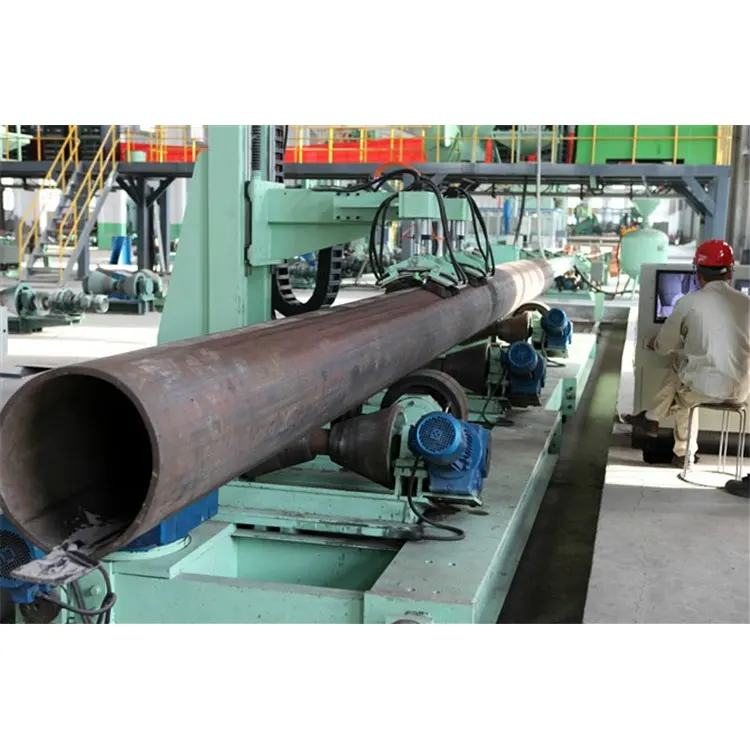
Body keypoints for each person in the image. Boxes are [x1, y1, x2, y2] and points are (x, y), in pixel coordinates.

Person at [624, 239, 750, 467]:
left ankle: (682, 452)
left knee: (682, 393)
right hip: (740, 392)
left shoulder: (688, 302)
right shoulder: (746, 303)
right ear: (731, 272)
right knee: (684, 367)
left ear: (697, 273)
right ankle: (652, 417)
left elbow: (664, 345)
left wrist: (655, 344)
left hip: (703, 390)